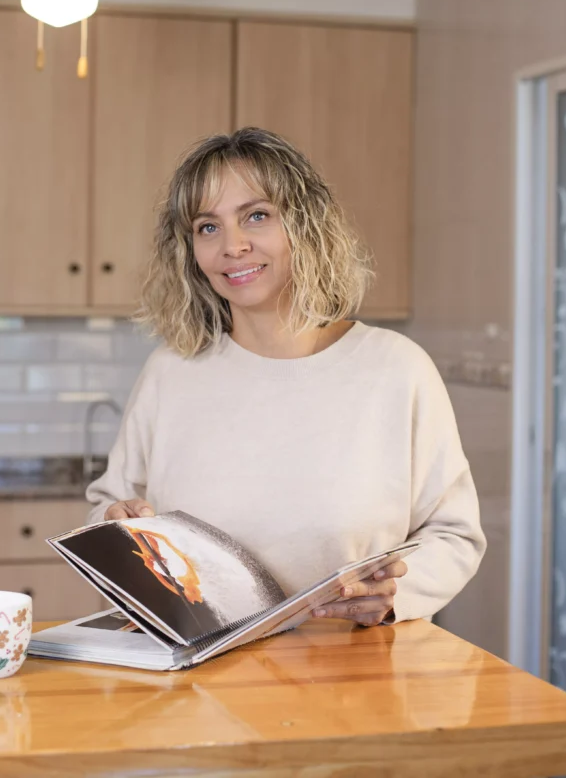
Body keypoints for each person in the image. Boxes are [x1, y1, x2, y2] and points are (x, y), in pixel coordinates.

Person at [86, 127, 486, 626]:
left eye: (256, 216)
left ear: (305, 225)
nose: (233, 246)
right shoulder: (169, 373)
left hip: (355, 659)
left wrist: (392, 594)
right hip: (205, 667)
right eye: (207, 227)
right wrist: (114, 524)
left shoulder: (397, 369)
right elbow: (109, 508)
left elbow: (454, 534)